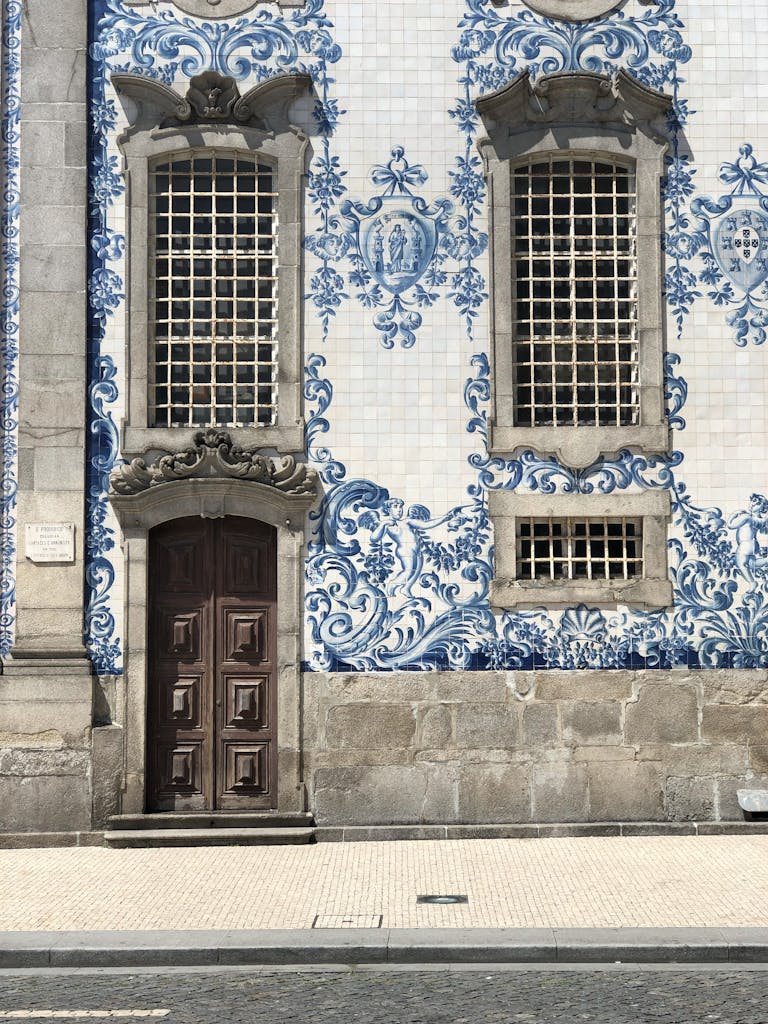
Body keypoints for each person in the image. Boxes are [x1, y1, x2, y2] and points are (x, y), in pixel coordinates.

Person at [728, 492, 768, 584]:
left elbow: (730, 526)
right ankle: (766, 561)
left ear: (763, 508)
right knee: (751, 563)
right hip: (754, 545)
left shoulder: (746, 517)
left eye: (757, 503)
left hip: (745, 544)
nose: (752, 504)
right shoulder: (760, 520)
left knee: (740, 563)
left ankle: (752, 583)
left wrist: (733, 514)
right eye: (753, 501)